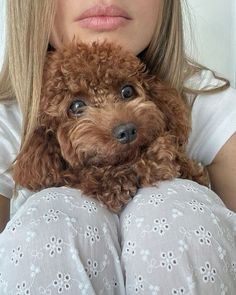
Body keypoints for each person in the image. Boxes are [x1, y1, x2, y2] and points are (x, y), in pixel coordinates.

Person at [0, 0, 235, 294]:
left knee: (175, 207)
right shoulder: (9, 123)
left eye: (127, 92)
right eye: (77, 107)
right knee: (53, 219)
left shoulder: (208, 104)